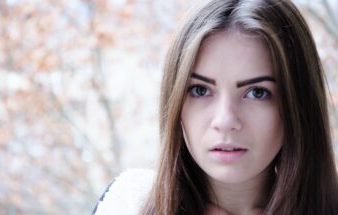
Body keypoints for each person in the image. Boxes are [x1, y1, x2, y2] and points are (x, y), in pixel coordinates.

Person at [93, 0, 338, 214]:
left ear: (298, 105)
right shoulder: (125, 205)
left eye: (257, 92)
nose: (225, 120)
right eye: (200, 90)